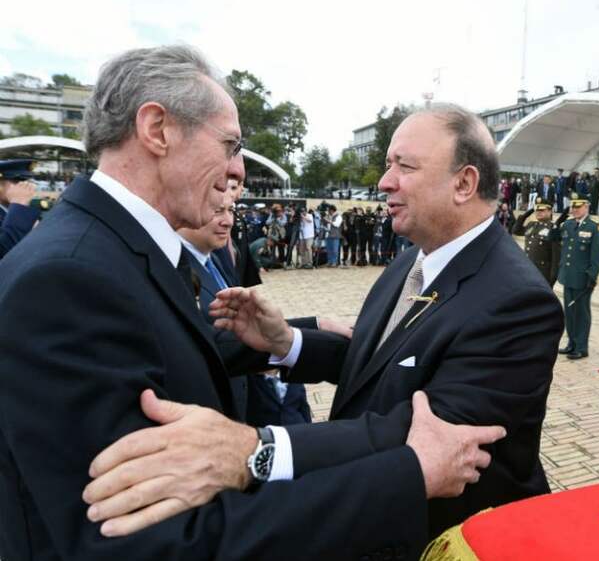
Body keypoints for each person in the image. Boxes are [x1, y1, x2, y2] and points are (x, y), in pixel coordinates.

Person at [0, 45, 503, 560]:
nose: (235, 167)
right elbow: (142, 541)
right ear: (157, 129)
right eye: (229, 143)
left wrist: (282, 344)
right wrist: (402, 474)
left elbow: (176, 356)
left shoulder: (111, 251)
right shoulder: (71, 277)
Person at [82, 102, 564, 541]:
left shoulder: (518, 302)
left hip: (445, 538)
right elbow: (385, 368)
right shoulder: (412, 259)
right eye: (389, 163)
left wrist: (255, 450)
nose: (384, 181)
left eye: (405, 166)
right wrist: (288, 343)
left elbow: (429, 436)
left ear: (464, 184)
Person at [553, 193, 599, 360]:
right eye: (572, 207)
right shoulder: (568, 225)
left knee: (581, 313)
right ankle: (571, 343)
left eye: (578, 207)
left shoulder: (594, 227)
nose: (574, 210)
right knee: (569, 312)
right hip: (568, 276)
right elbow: (553, 238)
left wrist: (592, 277)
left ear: (586, 207)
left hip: (583, 279)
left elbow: (596, 257)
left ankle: (581, 347)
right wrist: (558, 222)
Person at [512, 197, 564, 286]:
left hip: (542, 275)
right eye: (536, 210)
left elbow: (556, 258)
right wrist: (524, 216)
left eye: (542, 210)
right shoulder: (531, 225)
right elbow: (515, 230)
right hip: (528, 272)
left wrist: (551, 280)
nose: (538, 212)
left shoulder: (553, 229)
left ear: (550, 211)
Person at [0, 159, 41, 260]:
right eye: (17, 181)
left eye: (26, 181)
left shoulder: (19, 209)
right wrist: (18, 203)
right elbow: (3, 252)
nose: (25, 186)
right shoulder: (19, 208)